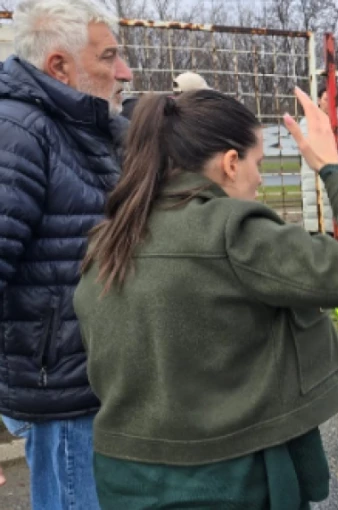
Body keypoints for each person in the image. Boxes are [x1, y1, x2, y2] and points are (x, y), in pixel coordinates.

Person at [72, 88, 338, 507]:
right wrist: (334, 168)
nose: (260, 178)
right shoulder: (232, 230)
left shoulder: (109, 237)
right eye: (259, 164)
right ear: (231, 163)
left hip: (125, 477)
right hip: (229, 479)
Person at [0, 0, 132, 508]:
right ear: (60, 65)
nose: (124, 71)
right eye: (108, 57)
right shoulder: (19, 132)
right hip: (62, 390)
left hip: (89, 379)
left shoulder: (79, 124)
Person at [301, 87, 335, 234]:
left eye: (334, 100)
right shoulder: (308, 121)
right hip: (315, 182)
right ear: (319, 101)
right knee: (317, 226)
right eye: (327, 99)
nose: (330, 103)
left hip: (334, 182)